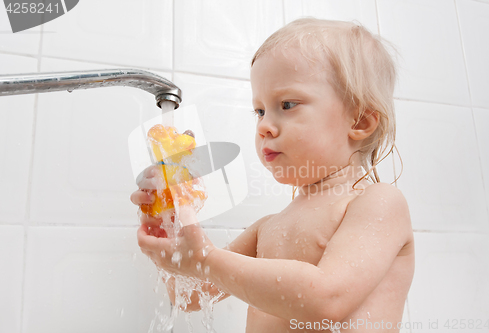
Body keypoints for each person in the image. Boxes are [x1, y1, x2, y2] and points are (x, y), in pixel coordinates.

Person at [131, 18, 414, 333]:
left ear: (360, 121)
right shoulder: (267, 228)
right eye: (260, 111)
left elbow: (327, 300)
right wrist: (168, 222)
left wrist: (208, 259)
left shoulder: (378, 204)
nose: (264, 126)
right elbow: (191, 295)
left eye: (287, 104)